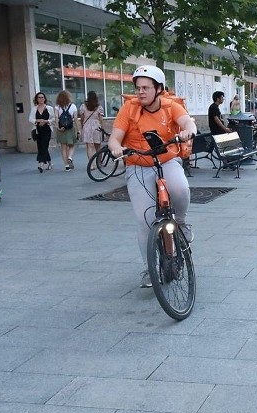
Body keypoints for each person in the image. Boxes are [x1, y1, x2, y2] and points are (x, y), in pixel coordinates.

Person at [108, 65, 198, 288]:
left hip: (167, 160)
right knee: (144, 220)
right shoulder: (129, 109)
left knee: (180, 189)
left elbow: (187, 122)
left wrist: (188, 130)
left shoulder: (171, 107)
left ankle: (182, 222)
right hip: (137, 165)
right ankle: (150, 269)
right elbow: (114, 138)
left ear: (158, 89)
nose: (140, 92)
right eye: (138, 88)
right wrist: (116, 148)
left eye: (146, 87)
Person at [29, 92, 54, 172]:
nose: (41, 99)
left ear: (45, 98)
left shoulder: (49, 108)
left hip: (47, 130)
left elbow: (53, 118)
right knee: (42, 147)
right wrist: (37, 120)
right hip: (38, 130)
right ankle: (50, 163)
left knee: (44, 145)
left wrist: (46, 121)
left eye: (42, 97)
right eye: (39, 97)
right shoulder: (34, 108)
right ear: (36, 99)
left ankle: (41, 164)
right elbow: (30, 119)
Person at [55, 90, 78, 171]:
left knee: (63, 148)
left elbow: (56, 118)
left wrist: (58, 127)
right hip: (70, 128)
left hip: (61, 129)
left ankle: (66, 166)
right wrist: (78, 130)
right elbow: (75, 119)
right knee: (71, 145)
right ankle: (70, 157)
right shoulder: (73, 106)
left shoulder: (57, 106)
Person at [79, 91, 105, 162]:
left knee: (89, 147)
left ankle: (91, 165)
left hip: (87, 126)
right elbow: (101, 119)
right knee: (98, 146)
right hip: (96, 126)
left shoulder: (83, 106)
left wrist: (82, 125)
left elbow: (82, 118)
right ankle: (99, 163)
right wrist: (102, 128)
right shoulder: (98, 107)